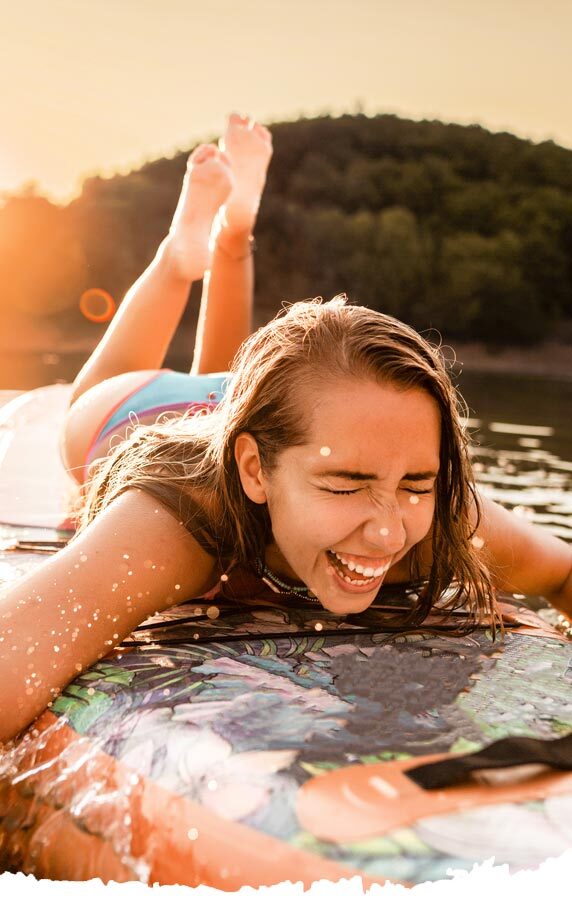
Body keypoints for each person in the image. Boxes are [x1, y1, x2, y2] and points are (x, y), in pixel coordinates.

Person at [1, 115, 571, 745]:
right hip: (140, 410)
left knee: (243, 379)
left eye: (417, 481)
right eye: (346, 485)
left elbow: (564, 571)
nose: (388, 532)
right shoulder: (181, 521)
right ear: (252, 472)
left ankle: (235, 230)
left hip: (280, 414)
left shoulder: (435, 523)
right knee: (83, 403)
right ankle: (180, 255)